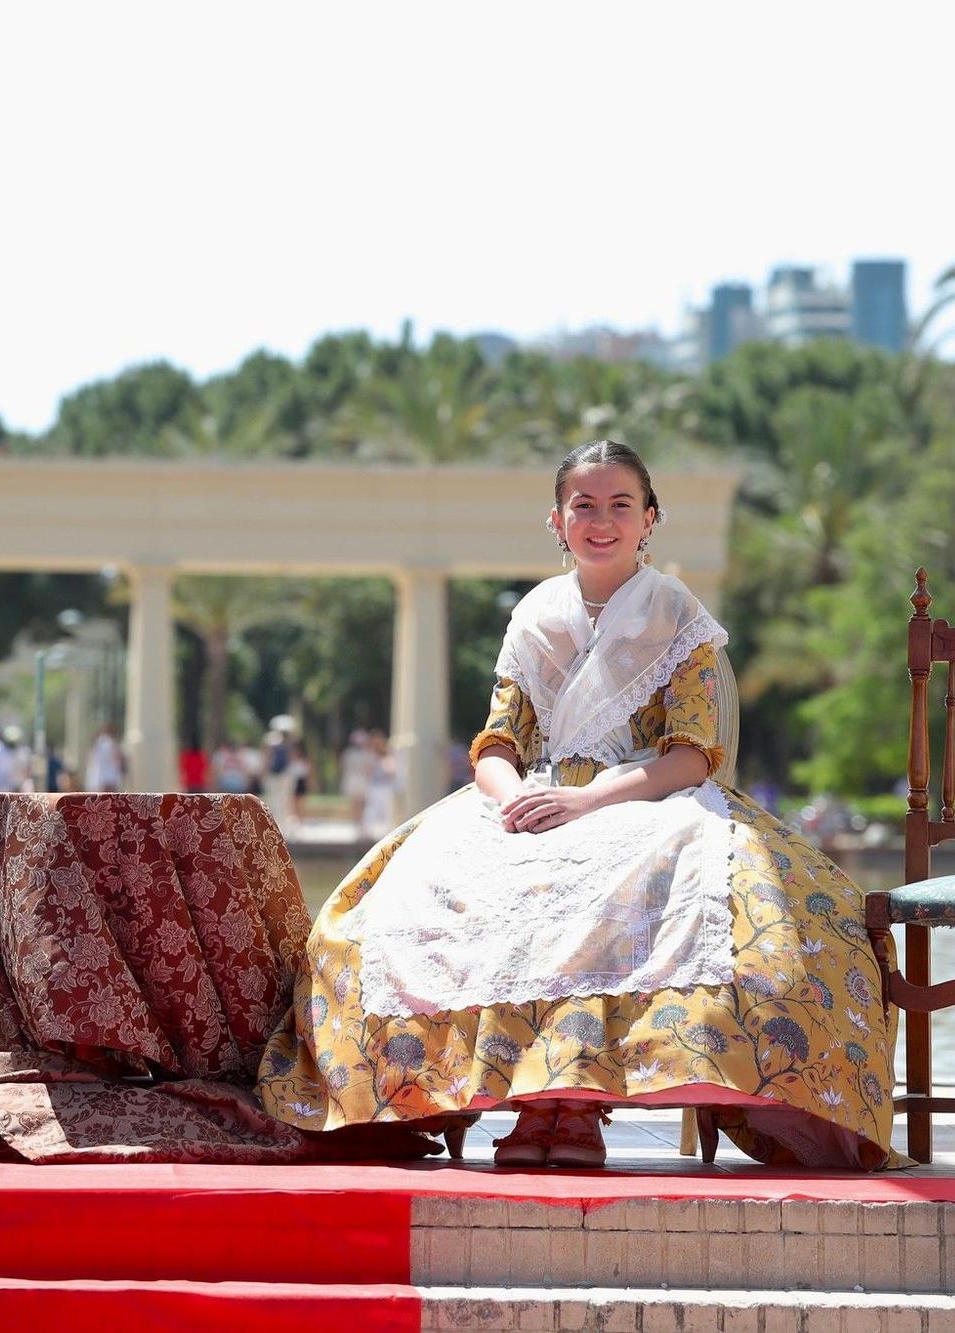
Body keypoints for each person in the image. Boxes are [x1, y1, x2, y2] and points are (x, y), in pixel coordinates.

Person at [257, 440, 895, 1170]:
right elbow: (497, 742)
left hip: (650, 793)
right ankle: (526, 1101)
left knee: (651, 886)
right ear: (556, 521)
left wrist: (589, 799)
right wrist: (515, 800)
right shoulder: (532, 618)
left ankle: (578, 1106)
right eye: (583, 506)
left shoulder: (677, 615)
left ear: (650, 518)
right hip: (538, 794)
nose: (602, 520)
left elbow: (690, 754)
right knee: (404, 897)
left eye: (621, 504)